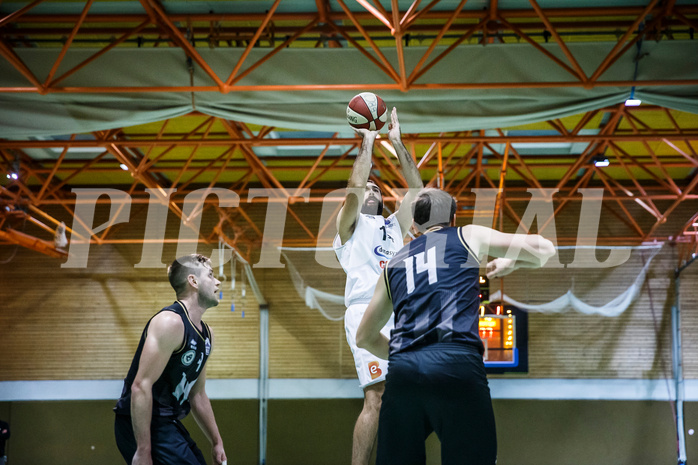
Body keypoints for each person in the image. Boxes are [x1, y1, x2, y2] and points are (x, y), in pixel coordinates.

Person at [356, 188, 556, 465]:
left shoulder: (393, 264)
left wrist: (406, 356)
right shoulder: (467, 235)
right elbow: (545, 249)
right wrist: (510, 262)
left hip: (404, 372)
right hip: (456, 365)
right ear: (452, 217)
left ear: (413, 226)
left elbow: (364, 337)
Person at [333, 107, 423, 465]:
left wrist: (398, 143)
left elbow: (417, 189)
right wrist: (368, 140)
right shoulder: (349, 228)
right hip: (364, 309)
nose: (369, 188)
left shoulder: (393, 227)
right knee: (377, 396)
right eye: (367, 185)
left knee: (403, 395)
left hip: (398, 313)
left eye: (375, 187)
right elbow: (355, 185)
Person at [114, 254, 227, 465]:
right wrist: (143, 450)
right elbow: (140, 386)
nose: (218, 281)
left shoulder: (207, 335)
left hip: (167, 421)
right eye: (211, 275)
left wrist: (216, 441)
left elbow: (198, 394)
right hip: (138, 423)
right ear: (193, 281)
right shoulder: (170, 322)